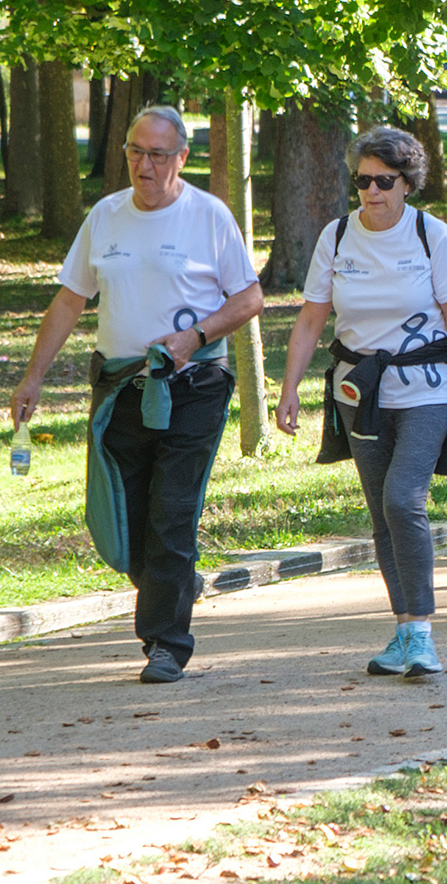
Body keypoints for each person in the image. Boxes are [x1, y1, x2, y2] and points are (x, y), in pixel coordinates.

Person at [13, 105, 262, 684]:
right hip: (120, 386)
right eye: (133, 152)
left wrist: (195, 336)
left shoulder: (209, 216)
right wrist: (33, 377)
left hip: (194, 386)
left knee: (172, 512)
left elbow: (248, 301)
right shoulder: (105, 216)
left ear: (182, 158)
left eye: (156, 155)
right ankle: (173, 584)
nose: (143, 166)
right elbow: (70, 300)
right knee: (126, 516)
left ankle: (166, 642)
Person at [278, 126, 447, 678]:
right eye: (363, 181)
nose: (371, 191)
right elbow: (312, 317)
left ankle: (423, 635)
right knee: (382, 517)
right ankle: (403, 631)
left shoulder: (429, 235)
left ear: (407, 183)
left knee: (403, 500)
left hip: (428, 389)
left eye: (384, 181)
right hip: (358, 391)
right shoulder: (337, 237)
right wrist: (289, 387)